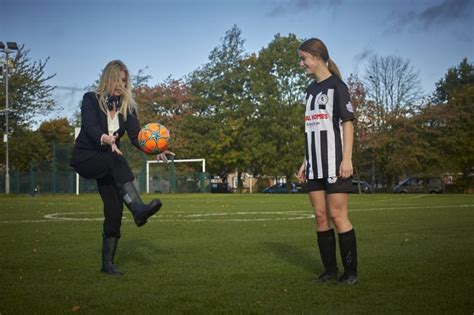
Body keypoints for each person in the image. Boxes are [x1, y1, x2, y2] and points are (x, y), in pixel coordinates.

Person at [70, 60, 174, 276]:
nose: (121, 84)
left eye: (125, 80)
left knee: (114, 209)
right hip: (86, 157)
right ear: (109, 78)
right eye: (118, 79)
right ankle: (138, 209)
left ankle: (107, 265)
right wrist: (105, 138)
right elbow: (89, 127)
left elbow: (137, 137)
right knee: (116, 159)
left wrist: (157, 149)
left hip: (108, 160)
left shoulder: (127, 108)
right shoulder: (91, 99)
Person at [297, 38, 358, 285]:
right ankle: (330, 271)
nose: (302, 64)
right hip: (313, 165)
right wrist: (304, 161)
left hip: (335, 163)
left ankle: (351, 272)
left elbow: (347, 124)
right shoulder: (309, 91)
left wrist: (347, 159)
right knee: (320, 216)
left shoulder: (337, 87)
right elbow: (311, 129)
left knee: (337, 215)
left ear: (318, 56)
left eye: (304, 59)